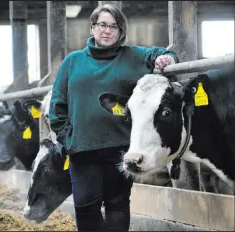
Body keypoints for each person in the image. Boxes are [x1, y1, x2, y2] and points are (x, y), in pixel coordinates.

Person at [48, 3, 179, 232]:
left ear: (121, 32)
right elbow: (57, 107)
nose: (107, 31)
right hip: (81, 148)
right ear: (92, 28)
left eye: (114, 27)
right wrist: (67, 138)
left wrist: (166, 58)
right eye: (102, 25)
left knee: (117, 205)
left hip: (120, 147)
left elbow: (162, 54)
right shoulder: (72, 62)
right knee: (85, 205)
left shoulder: (132, 56)